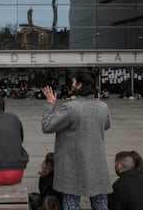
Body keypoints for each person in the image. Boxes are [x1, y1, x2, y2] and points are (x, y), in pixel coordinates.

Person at [42, 68, 112, 210]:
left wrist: (50, 104)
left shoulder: (71, 107)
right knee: (100, 204)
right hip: (97, 164)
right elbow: (106, 125)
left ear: (79, 85)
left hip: (72, 166)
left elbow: (47, 126)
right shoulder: (103, 107)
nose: (71, 84)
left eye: (73, 81)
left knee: (71, 203)